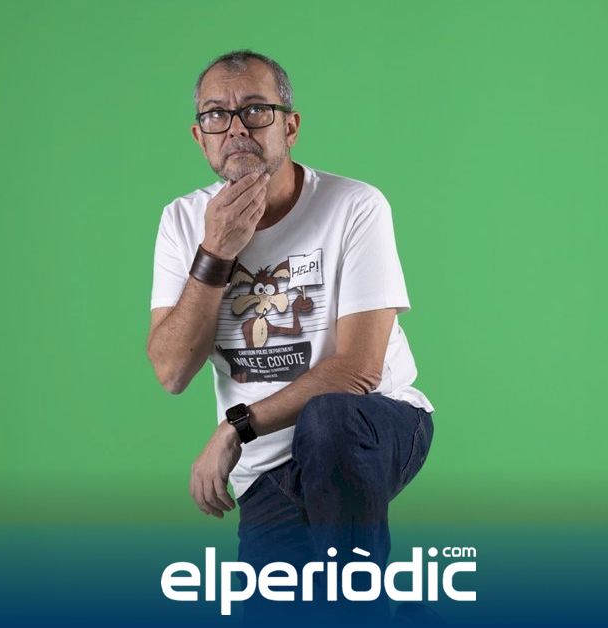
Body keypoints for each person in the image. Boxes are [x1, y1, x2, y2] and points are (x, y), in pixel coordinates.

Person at [147, 49, 435, 626]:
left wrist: (235, 426)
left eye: (255, 110)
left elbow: (358, 371)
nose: (235, 128)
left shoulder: (354, 206)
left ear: (290, 126)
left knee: (327, 420)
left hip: (372, 424)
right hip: (267, 467)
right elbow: (172, 370)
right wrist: (215, 252)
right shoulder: (182, 222)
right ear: (199, 137)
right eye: (216, 115)